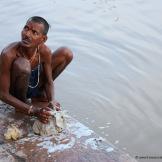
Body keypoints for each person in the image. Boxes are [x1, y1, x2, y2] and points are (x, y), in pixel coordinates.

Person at [0, 16, 73, 124]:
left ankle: (40, 96)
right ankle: (22, 105)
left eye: (34, 32)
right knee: (23, 65)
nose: (27, 34)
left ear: (43, 39)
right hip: (16, 90)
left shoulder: (45, 51)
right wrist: (34, 111)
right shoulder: (8, 53)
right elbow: (2, 94)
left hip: (35, 83)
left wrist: (52, 99)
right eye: (26, 28)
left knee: (66, 53)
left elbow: (49, 81)